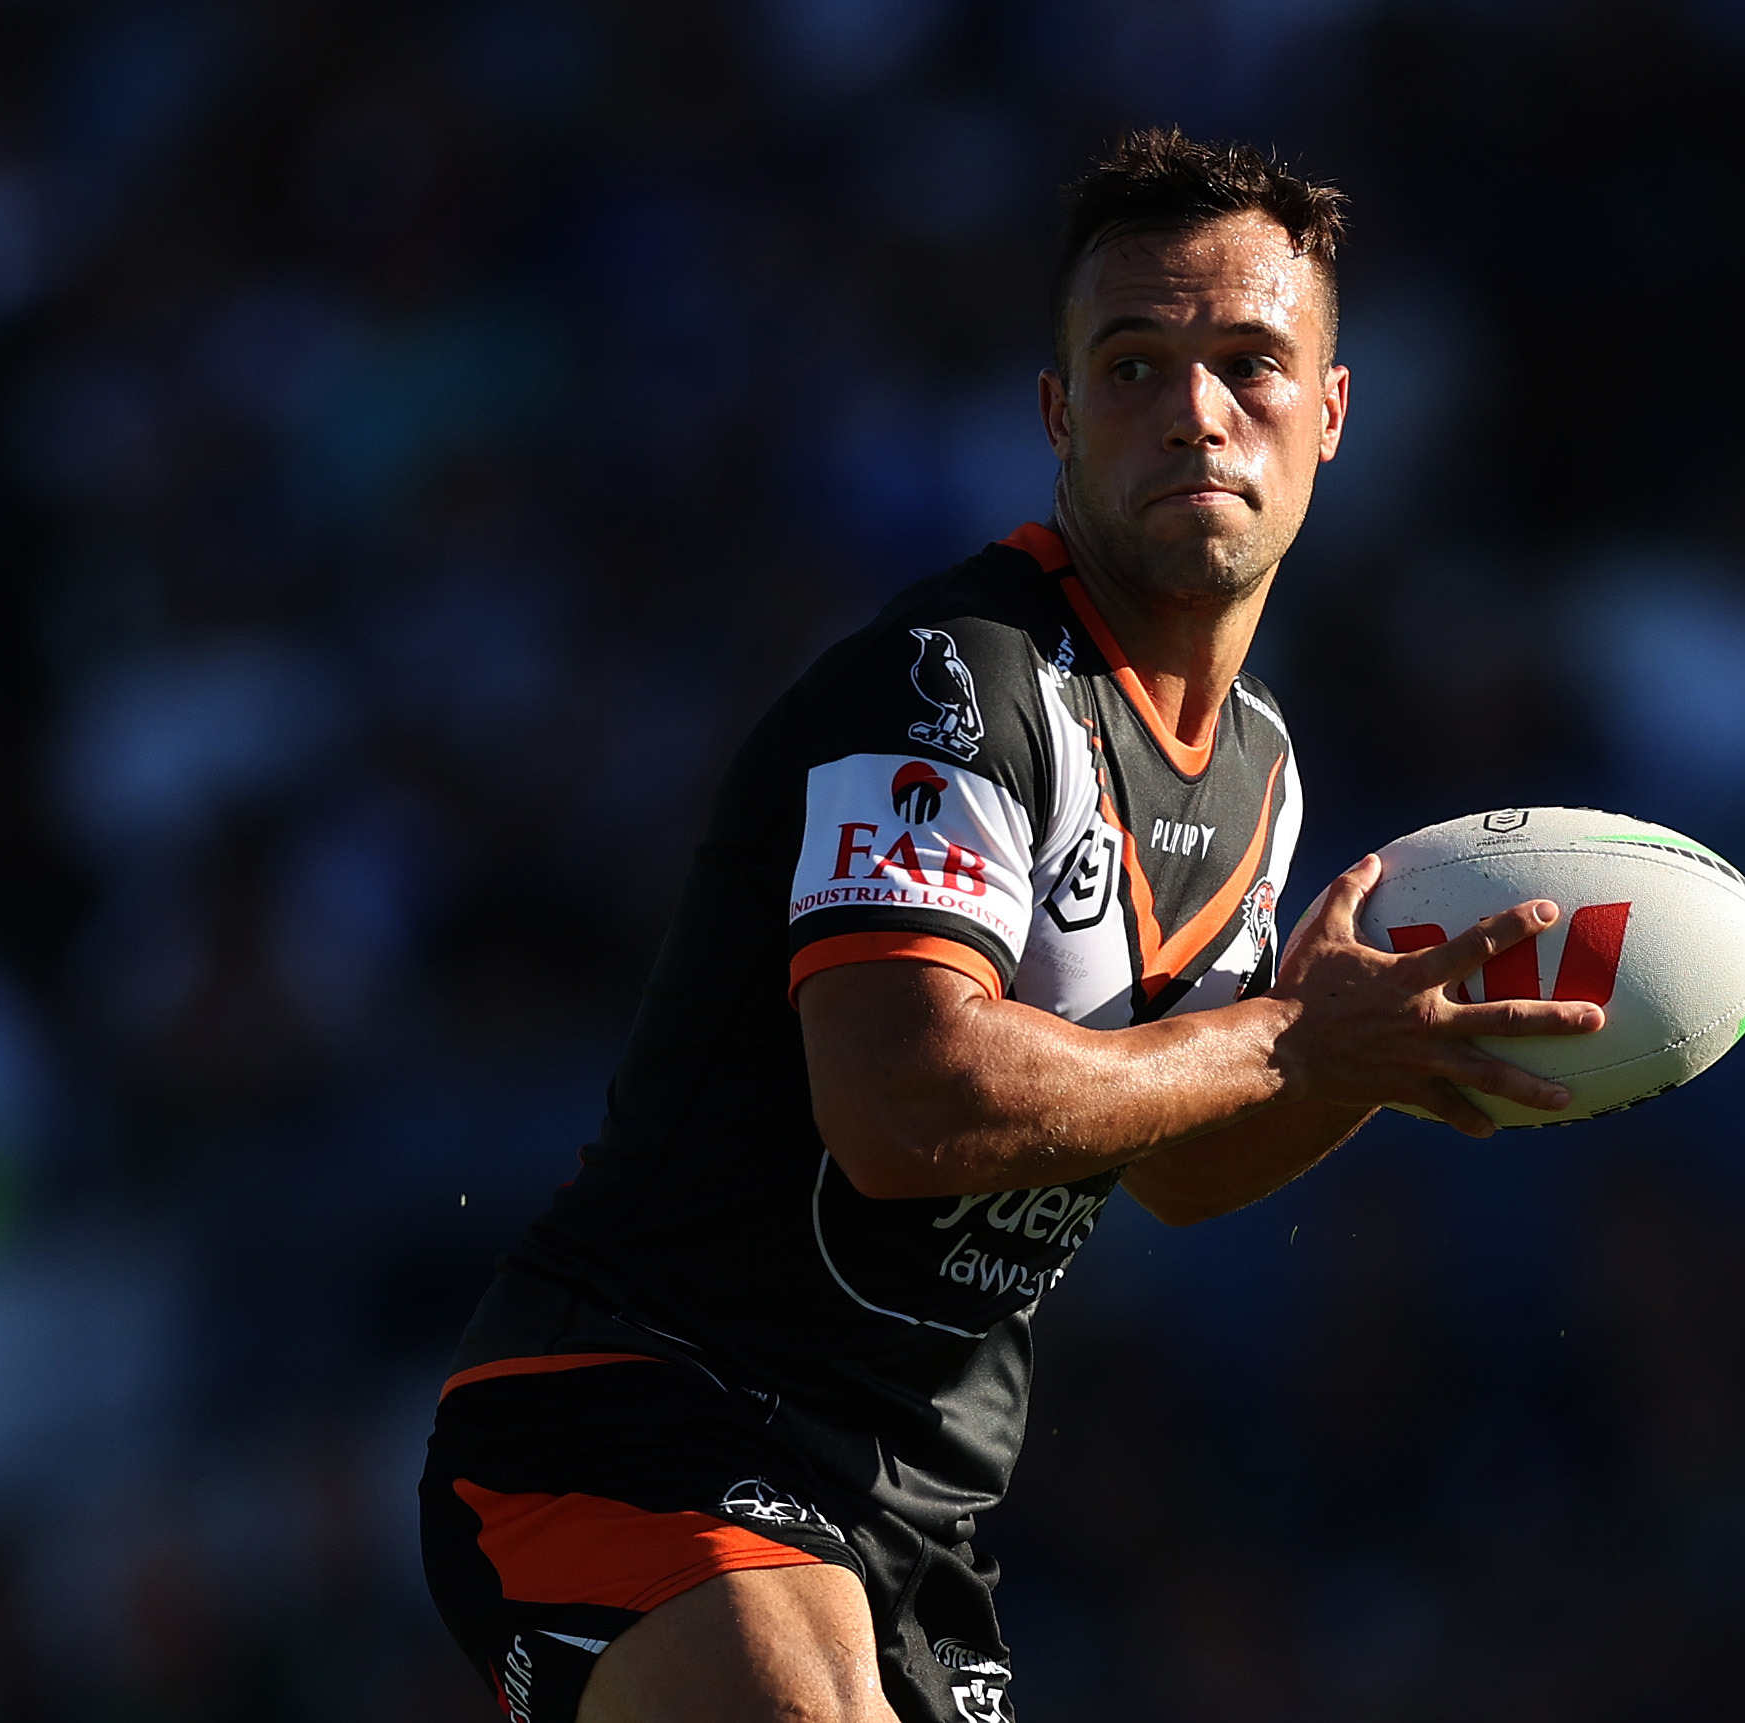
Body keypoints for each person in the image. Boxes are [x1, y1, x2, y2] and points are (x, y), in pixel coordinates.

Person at [419, 128, 1603, 1723]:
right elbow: (908, 1104)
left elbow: (1179, 1161)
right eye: (1132, 366)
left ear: (1330, 415)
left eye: (1252, 363)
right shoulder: (949, 689)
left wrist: (1355, 1069)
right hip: (636, 1410)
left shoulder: (1260, 775)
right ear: (1056, 417)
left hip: (913, 1504)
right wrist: (1290, 1038)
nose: (1195, 410)